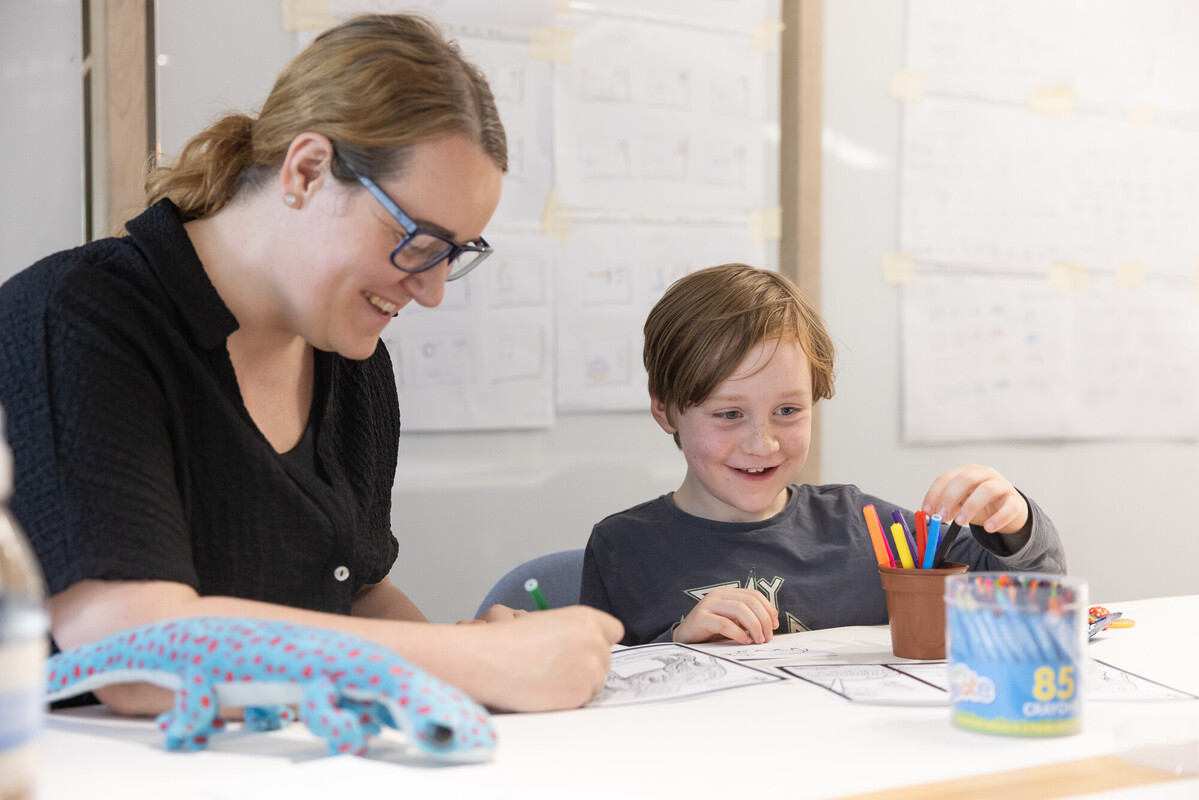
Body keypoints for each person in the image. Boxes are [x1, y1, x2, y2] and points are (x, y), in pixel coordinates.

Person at [0, 13, 621, 714]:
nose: (432, 290)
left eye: (455, 254)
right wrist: (473, 660)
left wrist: (498, 672)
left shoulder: (351, 360)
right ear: (306, 170)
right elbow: (133, 653)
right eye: (417, 240)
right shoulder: (79, 318)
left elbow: (352, 591)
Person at [579, 263, 1065, 646]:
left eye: (788, 410)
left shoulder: (868, 528)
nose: (762, 443)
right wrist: (678, 644)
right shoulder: (621, 549)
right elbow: (596, 689)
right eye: (728, 415)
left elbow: (1036, 599)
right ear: (666, 412)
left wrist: (1014, 521)